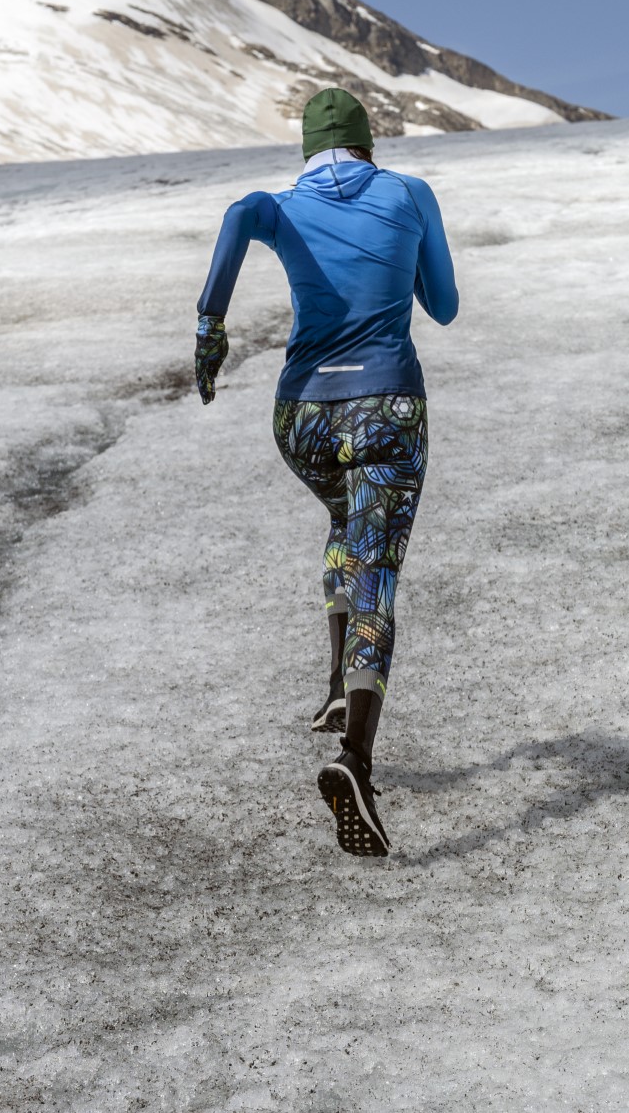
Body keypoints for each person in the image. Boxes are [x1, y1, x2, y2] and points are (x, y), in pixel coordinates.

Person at [194, 88, 458, 857]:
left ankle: (336, 690)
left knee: (345, 522)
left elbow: (239, 213)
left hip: (301, 418)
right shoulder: (408, 193)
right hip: (386, 411)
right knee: (377, 569)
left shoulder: (277, 205)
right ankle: (356, 761)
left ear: (308, 149)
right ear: (369, 142)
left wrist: (211, 327)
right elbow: (441, 306)